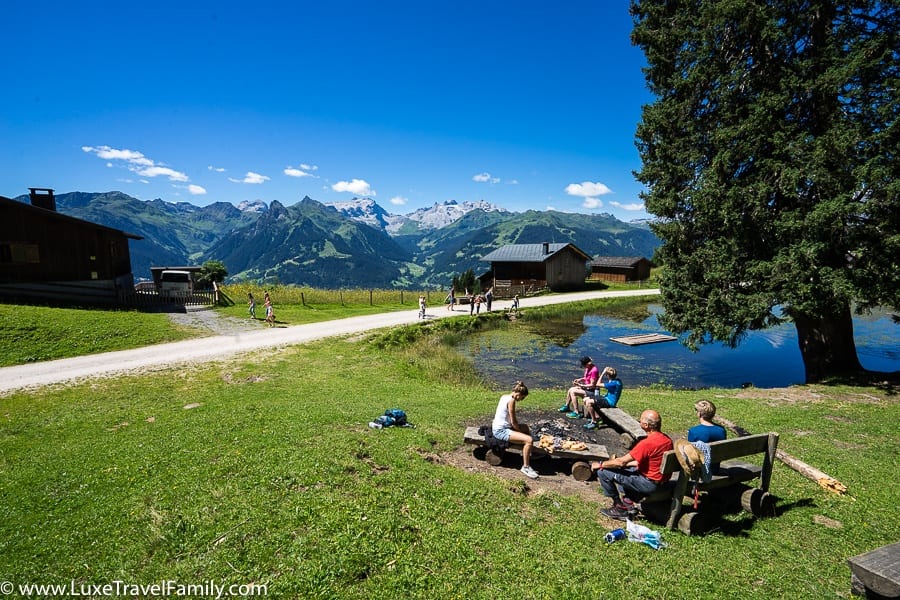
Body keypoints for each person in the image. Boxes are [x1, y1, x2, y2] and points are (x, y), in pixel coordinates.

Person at [592, 409, 674, 521]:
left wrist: (601, 464)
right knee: (626, 470)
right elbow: (645, 462)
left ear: (646, 425)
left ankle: (619, 508)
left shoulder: (647, 443)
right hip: (661, 482)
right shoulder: (667, 440)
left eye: (640, 420)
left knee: (603, 472)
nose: (639, 421)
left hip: (648, 484)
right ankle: (628, 503)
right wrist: (625, 465)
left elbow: (621, 462)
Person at [492, 381, 539, 479]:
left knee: (525, 427)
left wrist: (521, 430)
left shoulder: (504, 396)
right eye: (522, 398)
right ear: (519, 394)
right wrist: (520, 433)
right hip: (501, 431)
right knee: (529, 440)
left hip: (499, 426)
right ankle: (526, 467)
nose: (521, 400)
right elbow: (514, 422)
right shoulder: (511, 401)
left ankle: (530, 452)